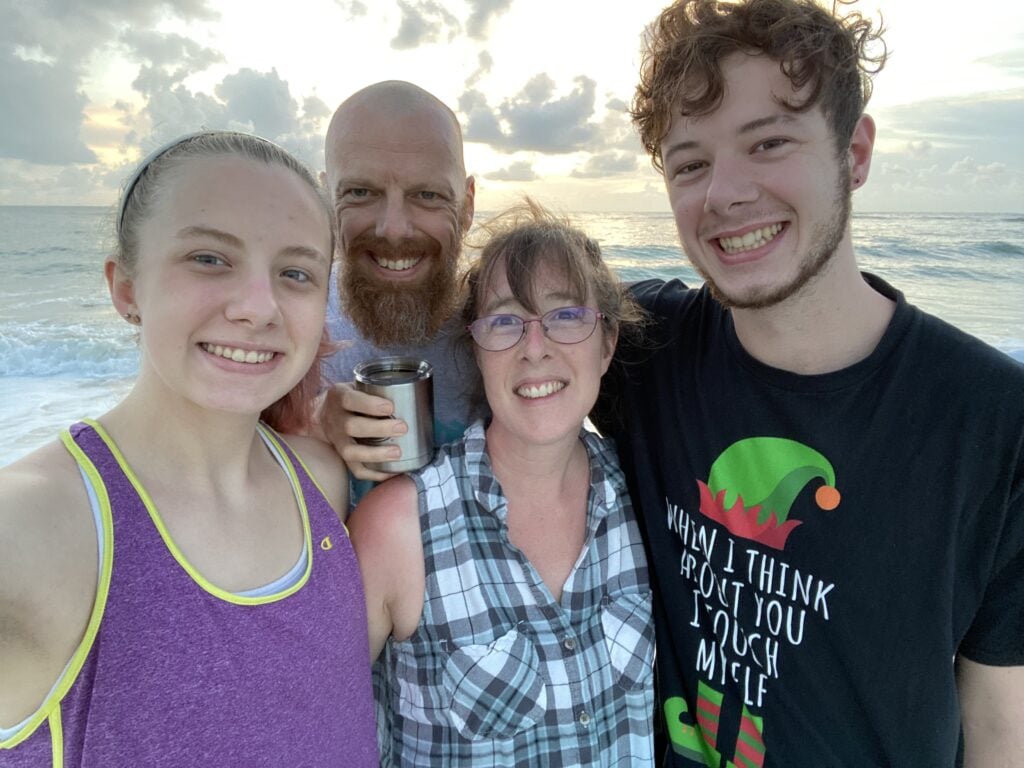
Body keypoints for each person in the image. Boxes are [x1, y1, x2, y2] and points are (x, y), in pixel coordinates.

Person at [591, 0, 1024, 765]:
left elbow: (997, 724)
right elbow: (501, 339)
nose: (723, 193)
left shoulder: (995, 420)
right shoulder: (641, 349)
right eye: (690, 163)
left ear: (854, 153)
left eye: (768, 142)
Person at [0, 131, 378, 766]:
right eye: (209, 258)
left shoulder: (320, 481)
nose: (259, 307)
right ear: (126, 289)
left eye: (295, 273)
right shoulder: (45, 528)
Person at [347, 202, 655, 766]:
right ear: (477, 352)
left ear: (606, 345)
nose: (534, 347)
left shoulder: (645, 497)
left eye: (566, 317)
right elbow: (320, 728)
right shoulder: (399, 526)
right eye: (506, 321)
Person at [319, 81, 477, 486]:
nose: (393, 229)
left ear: (467, 205)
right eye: (359, 191)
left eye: (427, 194)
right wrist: (309, 420)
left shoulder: (505, 332)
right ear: (325, 199)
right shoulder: (281, 331)